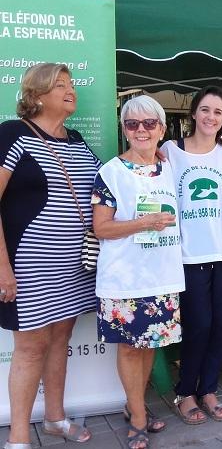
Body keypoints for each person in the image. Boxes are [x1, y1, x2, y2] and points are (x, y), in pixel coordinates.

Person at [0, 63, 97, 449]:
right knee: (30, 349)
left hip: (75, 267)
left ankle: (55, 419)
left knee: (61, 338)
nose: (70, 90)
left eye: (71, 84)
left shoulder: (76, 140)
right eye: (60, 85)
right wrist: (2, 268)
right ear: (36, 95)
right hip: (29, 266)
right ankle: (20, 436)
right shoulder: (13, 134)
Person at [93, 95, 184, 449]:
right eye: (133, 124)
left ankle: (136, 408)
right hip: (125, 277)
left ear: (162, 128)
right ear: (124, 129)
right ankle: (138, 415)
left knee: (150, 346)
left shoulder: (169, 166)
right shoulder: (111, 173)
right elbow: (101, 228)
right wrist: (143, 223)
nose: (141, 130)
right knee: (131, 348)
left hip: (163, 274)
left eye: (149, 123)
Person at [160, 86, 222, 423]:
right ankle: (185, 391)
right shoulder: (170, 151)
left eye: (218, 112)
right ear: (193, 113)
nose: (211, 117)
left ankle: (208, 389)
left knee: (219, 325)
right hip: (188, 254)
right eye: (205, 110)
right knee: (198, 325)